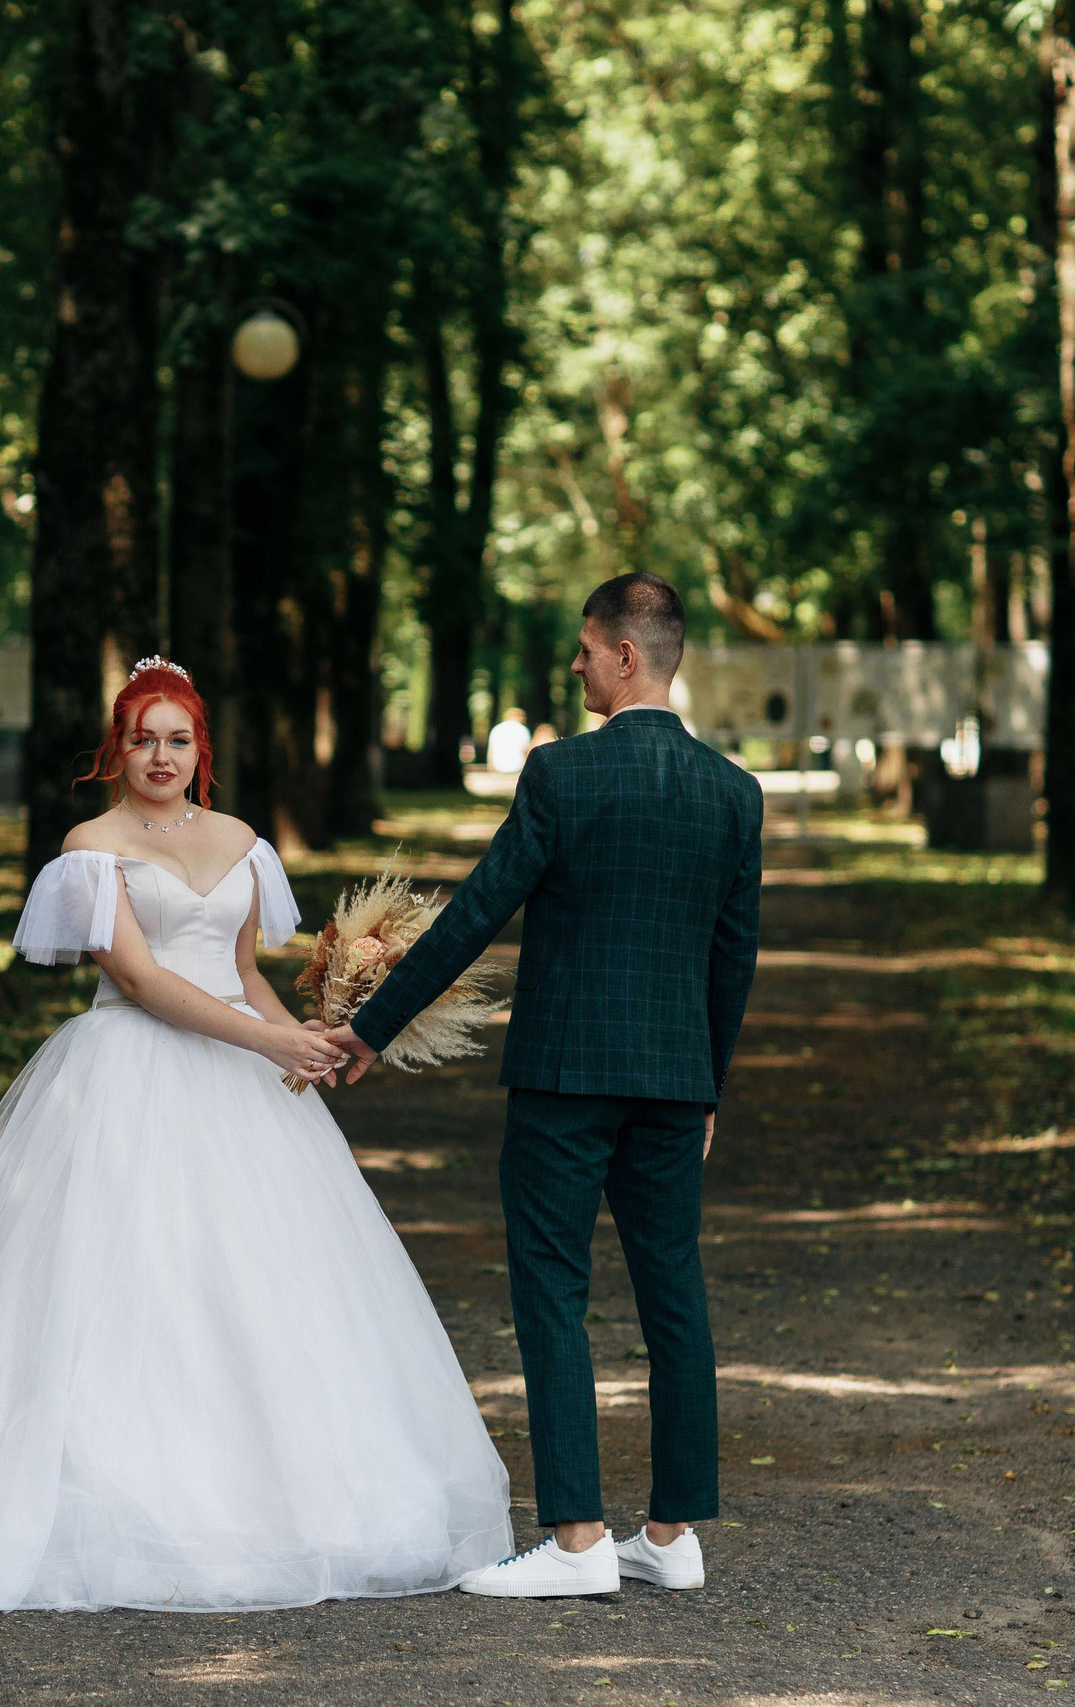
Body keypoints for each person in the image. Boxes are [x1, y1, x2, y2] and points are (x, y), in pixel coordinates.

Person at [0, 657, 510, 1612]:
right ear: (118, 746)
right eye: (144, 737)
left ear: (202, 749)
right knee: (110, 1284)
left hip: (238, 1082)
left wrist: (309, 1043)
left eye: (179, 739)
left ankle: (285, 1500)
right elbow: (143, 978)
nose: (161, 755)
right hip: (124, 1073)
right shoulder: (91, 844)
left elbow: (240, 970)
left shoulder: (241, 839)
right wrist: (270, 1037)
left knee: (264, 1286)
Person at [327, 572, 763, 1600]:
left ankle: (575, 1542)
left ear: (624, 655)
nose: (573, 665)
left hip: (566, 1077)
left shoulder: (562, 776)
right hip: (671, 1082)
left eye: (583, 648)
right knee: (676, 1302)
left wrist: (370, 1031)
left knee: (553, 1296)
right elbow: (730, 957)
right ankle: (669, 1536)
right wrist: (708, 1090)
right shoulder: (731, 792)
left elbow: (479, 912)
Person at [485, 705, 532, 775]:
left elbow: (491, 749)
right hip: (518, 768)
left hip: (498, 767)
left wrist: (490, 765)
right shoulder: (522, 730)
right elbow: (525, 751)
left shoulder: (496, 729)